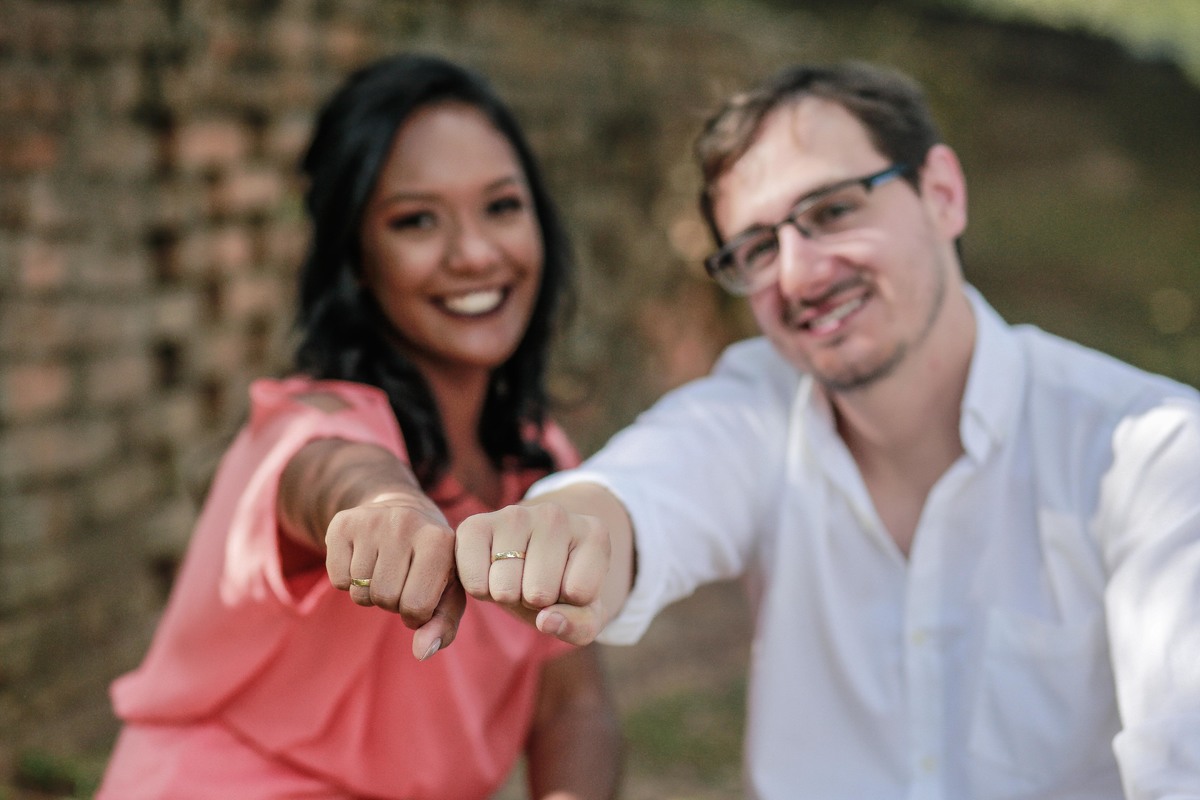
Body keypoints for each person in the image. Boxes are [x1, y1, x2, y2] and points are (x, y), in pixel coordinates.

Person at [453, 61, 1200, 799]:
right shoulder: (760, 408)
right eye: (755, 249)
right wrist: (568, 530)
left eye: (834, 211)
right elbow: (649, 488)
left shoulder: (1149, 453)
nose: (799, 274)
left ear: (941, 194)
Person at [98, 54, 621, 800]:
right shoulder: (307, 420)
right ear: (357, 259)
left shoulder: (537, 460)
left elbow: (577, 706)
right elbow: (333, 473)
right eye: (416, 221)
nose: (475, 253)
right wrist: (388, 510)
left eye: (502, 206)